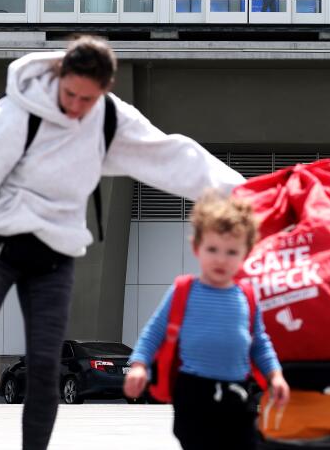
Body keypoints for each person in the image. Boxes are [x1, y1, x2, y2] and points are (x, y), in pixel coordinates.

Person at [0, 36, 244, 450]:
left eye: (88, 99)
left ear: (105, 90)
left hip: (53, 259)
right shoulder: (19, 112)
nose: (76, 107)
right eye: (70, 94)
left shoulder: (109, 119)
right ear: (58, 75)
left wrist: (247, 194)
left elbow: (175, 157)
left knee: (45, 373)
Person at [123, 193, 290, 450]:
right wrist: (139, 366)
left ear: (246, 254)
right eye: (212, 249)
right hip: (193, 390)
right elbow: (153, 332)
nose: (221, 259)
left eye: (231, 252)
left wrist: (275, 375)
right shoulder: (184, 290)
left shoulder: (246, 296)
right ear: (196, 247)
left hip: (237, 390)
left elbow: (259, 343)